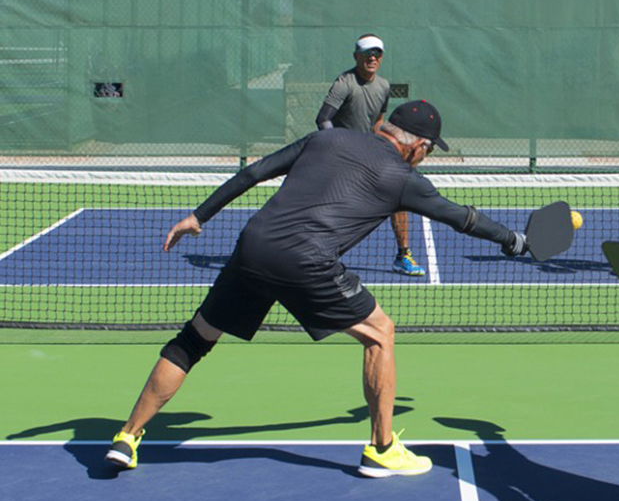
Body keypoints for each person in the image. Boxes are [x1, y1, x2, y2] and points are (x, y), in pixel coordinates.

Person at [104, 100, 531, 478]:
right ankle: (382, 450)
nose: (426, 158)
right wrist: (514, 241)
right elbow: (463, 219)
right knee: (380, 332)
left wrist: (199, 216)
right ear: (417, 146)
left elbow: (254, 172)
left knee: (194, 340)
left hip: (253, 246)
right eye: (429, 151)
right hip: (306, 261)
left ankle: (126, 437)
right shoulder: (403, 176)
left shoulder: (324, 140)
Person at [315, 34, 426, 277]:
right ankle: (322, 256)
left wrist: (390, 147)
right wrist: (339, 147)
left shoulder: (383, 86)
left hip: (370, 153)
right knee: (336, 208)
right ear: (357, 56)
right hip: (342, 156)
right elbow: (323, 119)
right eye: (367, 53)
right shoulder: (344, 83)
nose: (372, 57)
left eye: (376, 53)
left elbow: (377, 122)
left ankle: (403, 255)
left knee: (399, 195)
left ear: (381, 57)